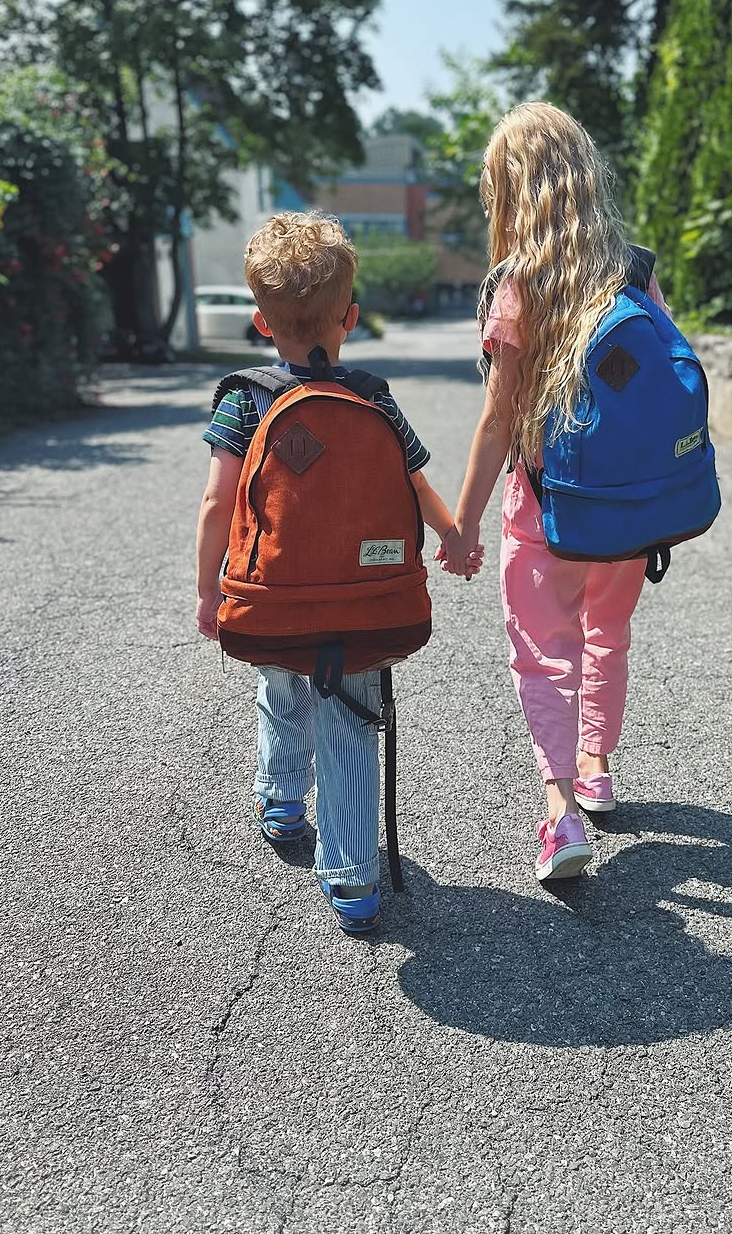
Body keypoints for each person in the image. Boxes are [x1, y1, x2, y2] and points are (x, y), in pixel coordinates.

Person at [195, 212, 467, 932]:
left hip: (272, 596)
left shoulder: (244, 398)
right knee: (350, 719)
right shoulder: (373, 396)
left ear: (261, 322)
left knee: (280, 685)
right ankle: (353, 881)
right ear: (350, 317)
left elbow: (219, 501)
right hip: (365, 601)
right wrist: (453, 535)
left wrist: (209, 589)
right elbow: (413, 479)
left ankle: (282, 802)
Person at [439, 103, 673, 882]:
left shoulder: (519, 286)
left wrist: (463, 525)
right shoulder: (633, 271)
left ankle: (561, 811)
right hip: (627, 510)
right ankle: (597, 764)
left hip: (547, 507)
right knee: (608, 634)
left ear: (512, 190)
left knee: (545, 657)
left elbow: (496, 420)